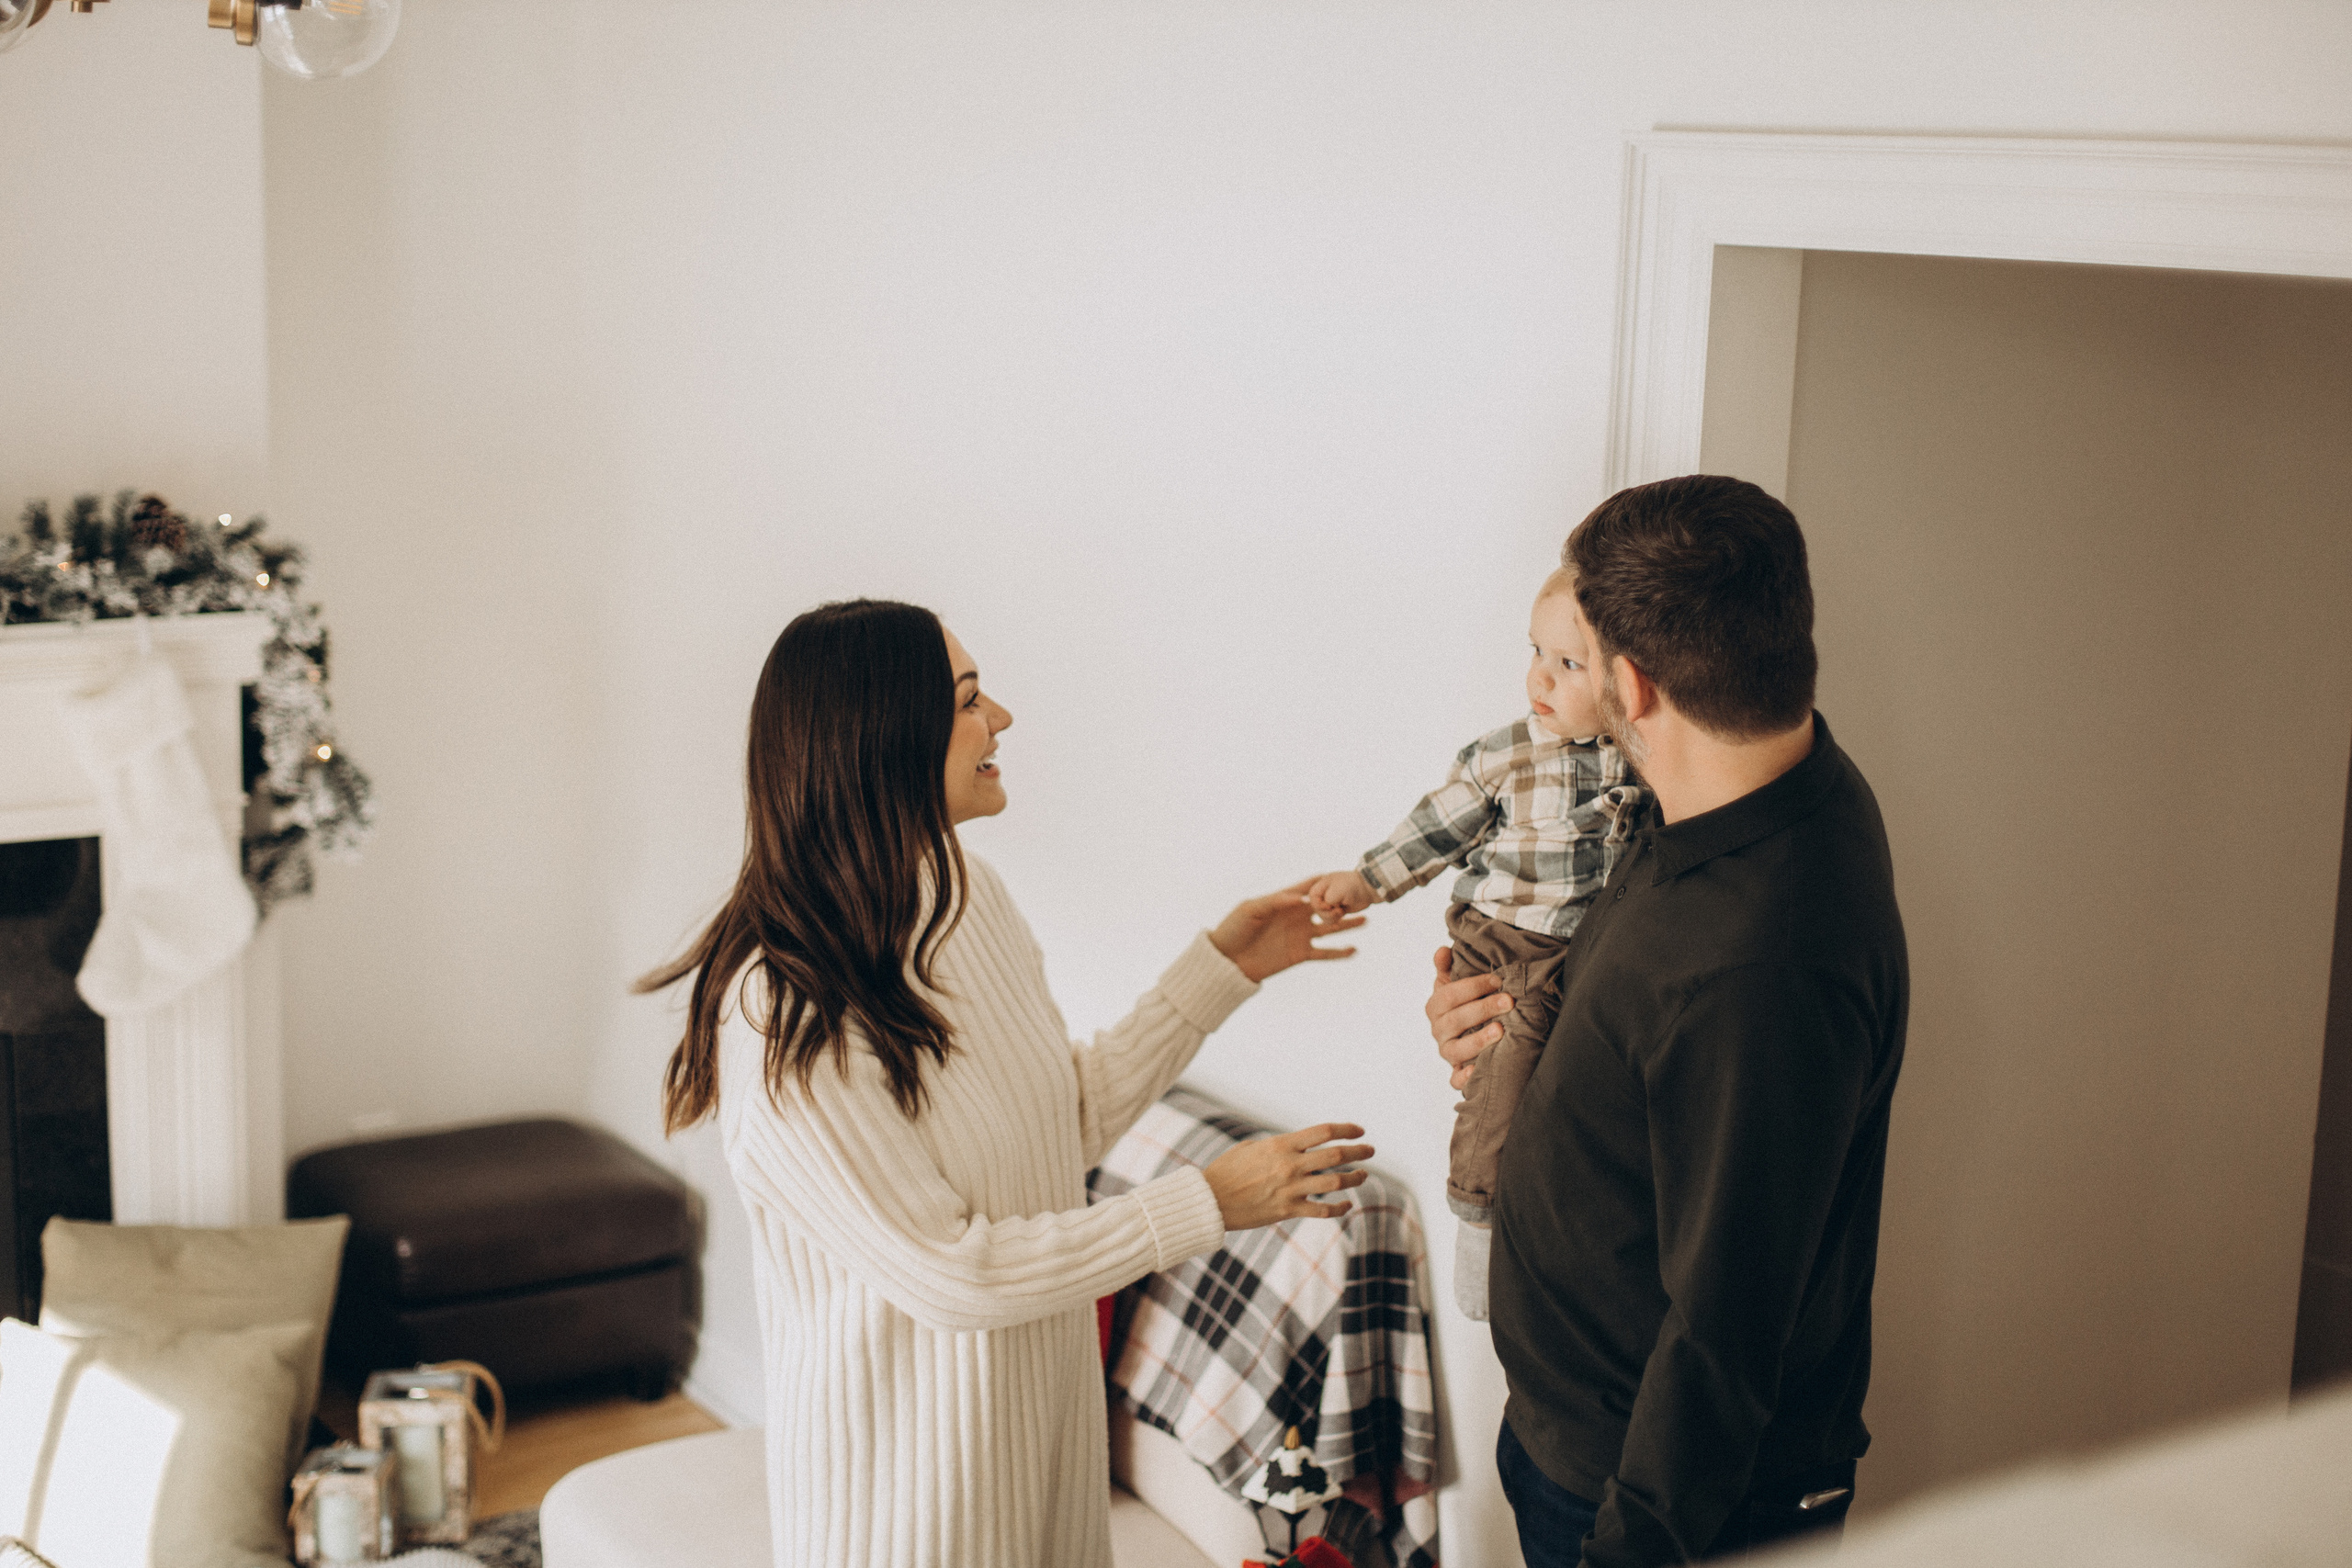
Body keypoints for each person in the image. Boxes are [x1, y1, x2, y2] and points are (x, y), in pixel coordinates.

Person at [639, 599, 1374, 1568]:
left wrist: (1221, 969)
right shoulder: (782, 1013)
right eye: (970, 701)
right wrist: (1203, 1202)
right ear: (884, 738)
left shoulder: (965, 894)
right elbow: (955, 1272)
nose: (1003, 721)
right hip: (907, 1513)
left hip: (1046, 1462)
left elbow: (1055, 1126)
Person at [1426, 477, 1909, 1567]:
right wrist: (1510, 1036)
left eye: (1577, 660)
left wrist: (1627, 1544)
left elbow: (1728, 1327)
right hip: (1568, 1427)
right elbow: (1646, 1045)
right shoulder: (1758, 788)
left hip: (1652, 1500)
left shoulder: (1762, 964)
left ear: (1632, 686)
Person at [1305, 567, 1644, 1321]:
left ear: (1626, 681)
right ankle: (1479, 1217)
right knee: (1506, 1063)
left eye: (1568, 664)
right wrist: (1365, 882)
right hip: (1509, 940)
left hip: (1581, 947)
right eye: (1535, 652)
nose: (1540, 678)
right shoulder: (1505, 757)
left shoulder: (1638, 754)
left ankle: (1542, 1229)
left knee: (1571, 1073)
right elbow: (1435, 829)